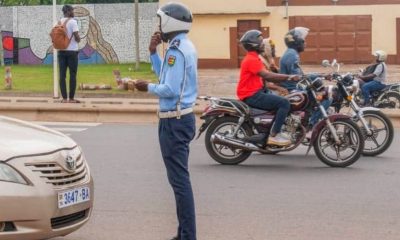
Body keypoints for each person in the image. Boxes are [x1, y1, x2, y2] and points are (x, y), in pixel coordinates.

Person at [135, 2, 197, 240]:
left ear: (171, 22)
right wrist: (153, 53)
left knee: (180, 183)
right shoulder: (183, 46)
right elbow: (167, 76)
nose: (158, 25)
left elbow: (169, 88)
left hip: (174, 121)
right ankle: (183, 234)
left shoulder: (176, 50)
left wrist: (146, 87)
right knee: (179, 181)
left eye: (161, 20)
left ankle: (188, 236)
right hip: (183, 118)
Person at [237, 29, 300, 147]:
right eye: (261, 42)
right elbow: (267, 75)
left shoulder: (255, 58)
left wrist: (281, 82)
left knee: (284, 100)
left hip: (257, 91)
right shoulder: (252, 60)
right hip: (251, 95)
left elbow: (268, 77)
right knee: (284, 103)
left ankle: (268, 132)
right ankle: (274, 135)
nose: (263, 45)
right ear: (254, 44)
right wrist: (289, 77)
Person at [279, 27, 331, 128]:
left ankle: (308, 117)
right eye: (303, 41)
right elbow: (298, 78)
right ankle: (312, 123)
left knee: (318, 92)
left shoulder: (291, 53)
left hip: (294, 87)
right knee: (326, 97)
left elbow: (300, 75)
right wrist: (317, 77)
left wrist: (321, 75)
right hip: (293, 90)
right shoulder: (292, 55)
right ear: (296, 42)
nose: (305, 43)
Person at [58, 5, 81, 103]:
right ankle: (71, 98)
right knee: (72, 74)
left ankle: (64, 98)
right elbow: (77, 37)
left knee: (62, 75)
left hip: (61, 51)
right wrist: (79, 39)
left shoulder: (58, 22)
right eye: (72, 10)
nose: (73, 12)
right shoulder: (72, 22)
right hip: (72, 52)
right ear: (68, 11)